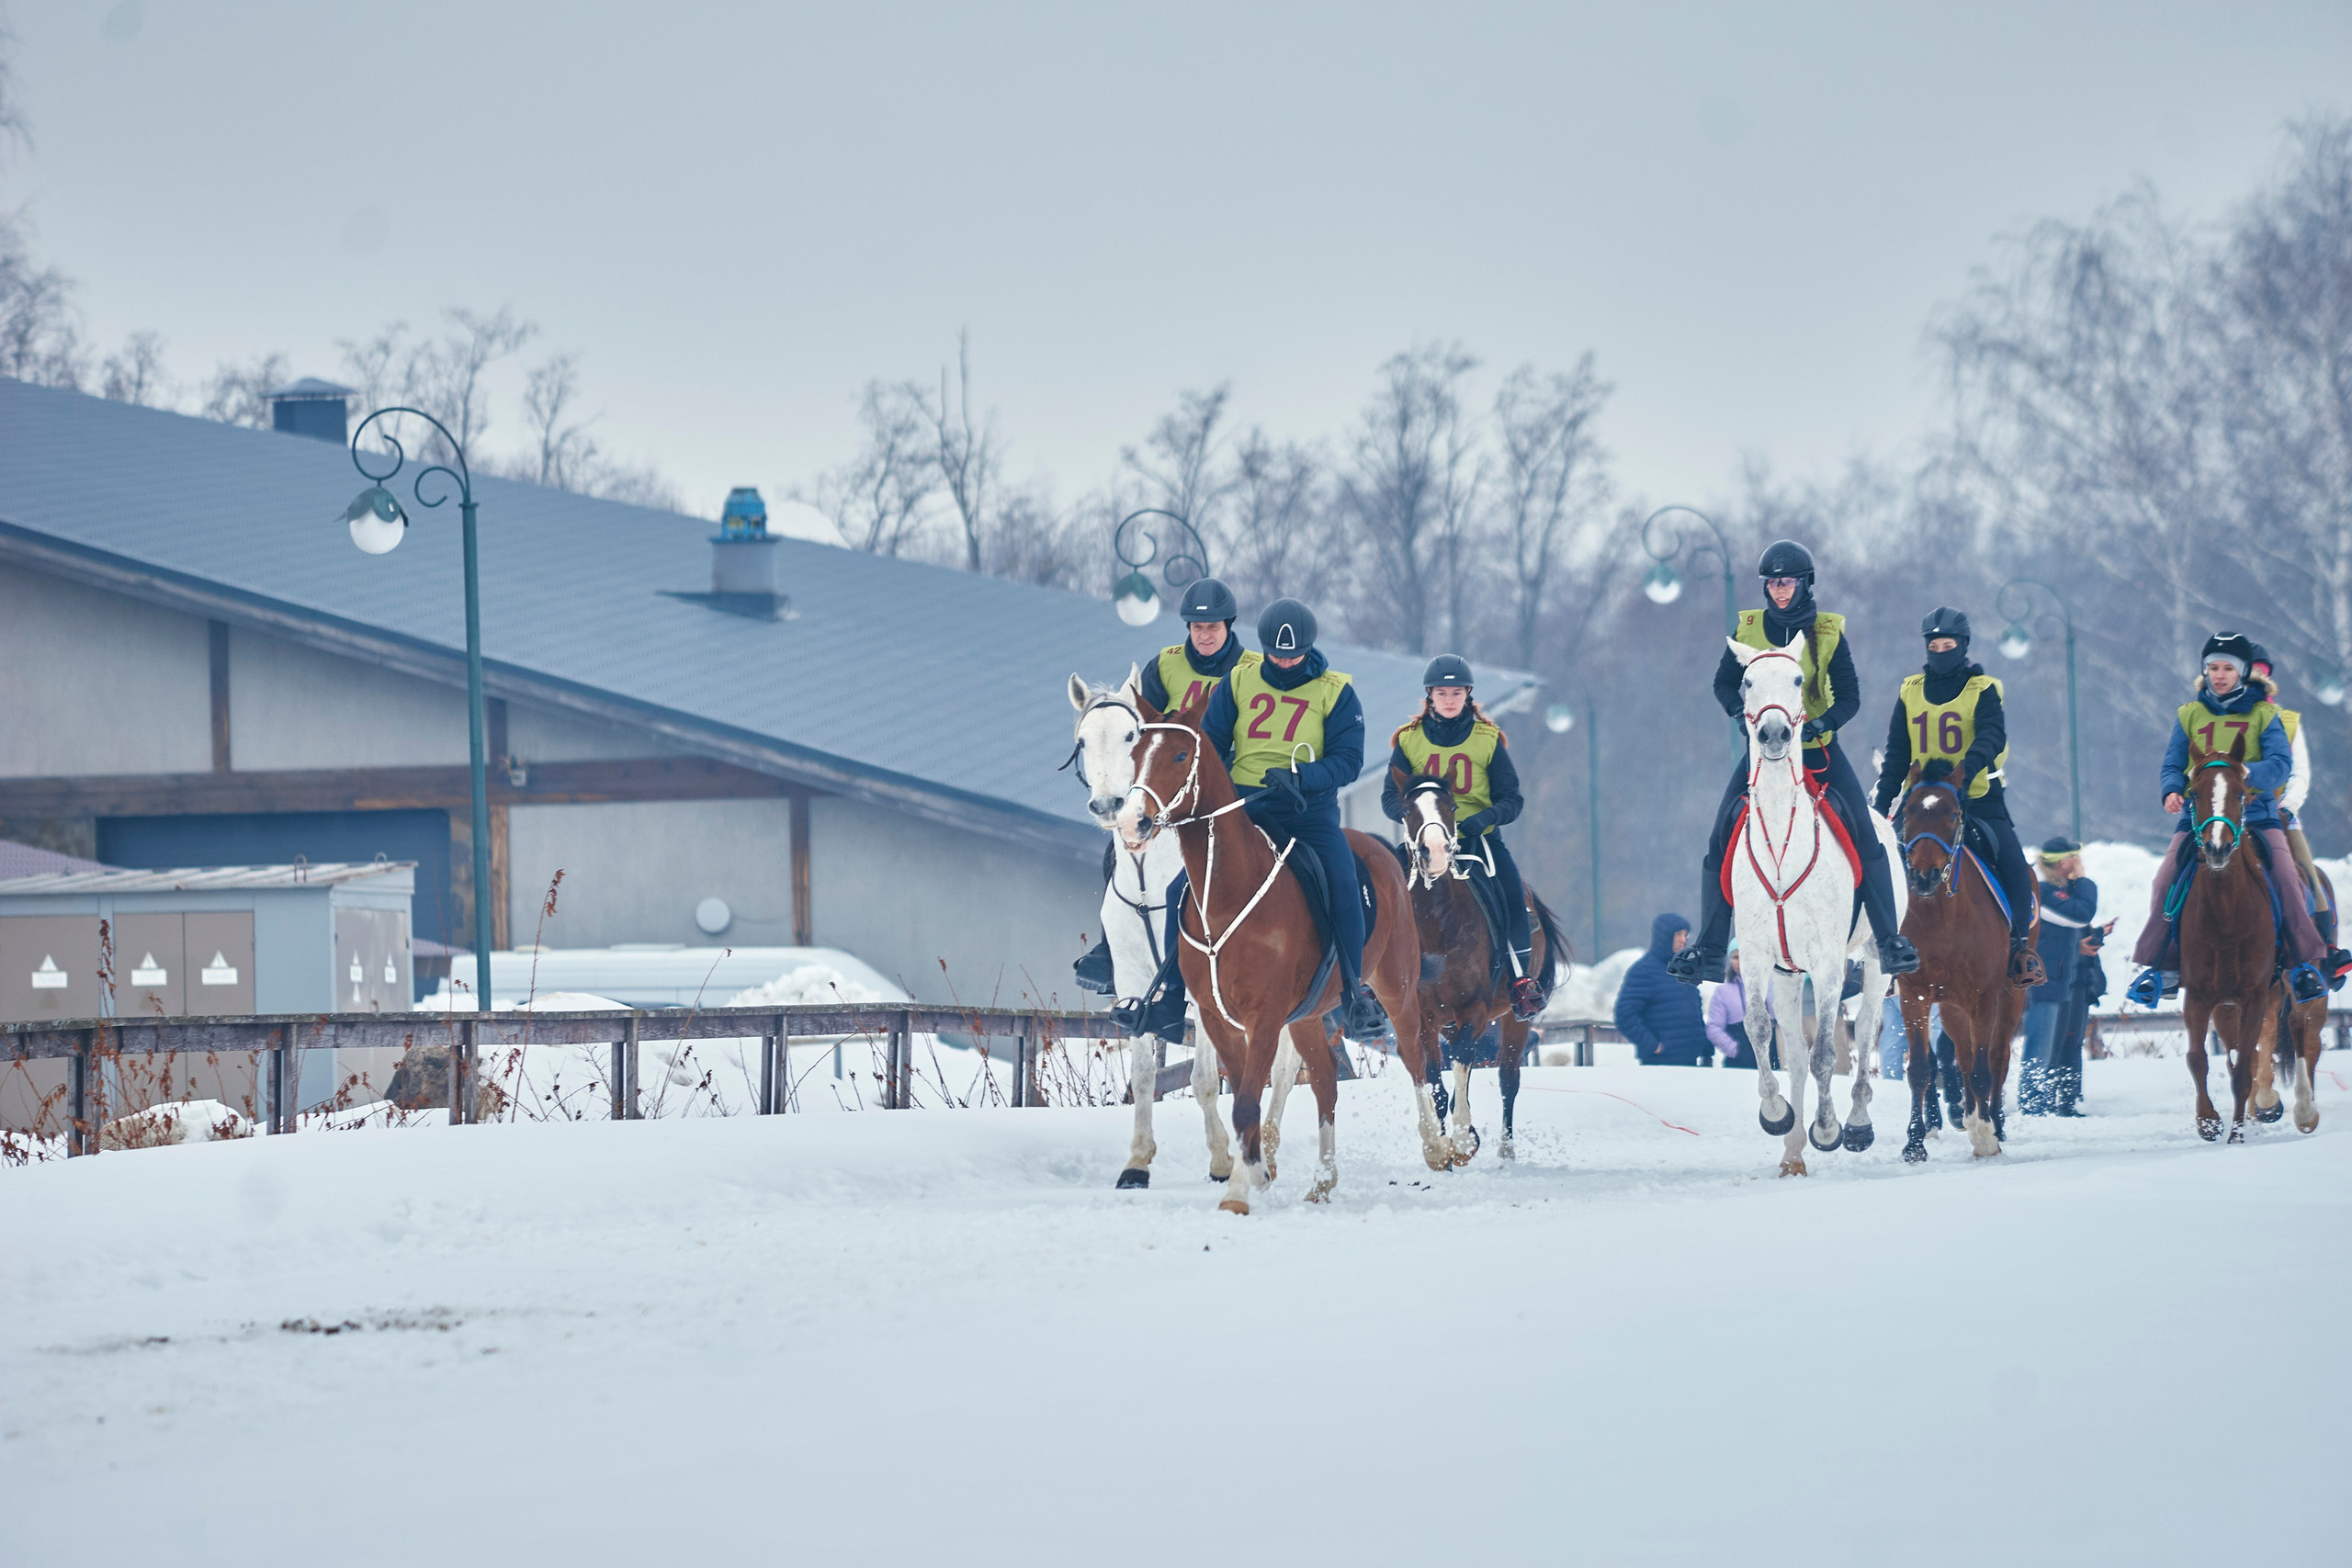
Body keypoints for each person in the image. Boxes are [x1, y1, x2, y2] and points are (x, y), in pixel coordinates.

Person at [1668, 540, 1918, 986]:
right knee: (1720, 834)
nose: (1780, 590)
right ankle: (1708, 949)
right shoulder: (1746, 630)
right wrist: (1743, 716)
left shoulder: (1827, 632)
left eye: (1787, 582)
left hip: (1818, 749)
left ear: (1805, 584)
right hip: (1762, 755)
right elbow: (1723, 684)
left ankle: (1887, 940)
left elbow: (1851, 696)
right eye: (1772, 583)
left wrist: (1823, 722)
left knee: (1864, 830)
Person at [1199, 597, 1386, 1037]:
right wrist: (1222, 789)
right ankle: (1168, 993)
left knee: (1343, 881)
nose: (1284, 662)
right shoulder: (1237, 681)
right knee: (1180, 884)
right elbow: (1210, 744)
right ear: (1263, 647)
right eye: (1276, 653)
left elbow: (1348, 760)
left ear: (1308, 648)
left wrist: (1303, 776)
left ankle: (1354, 996)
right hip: (1245, 812)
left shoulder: (1336, 691)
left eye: (1293, 654)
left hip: (1308, 813)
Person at [1073, 577, 1256, 1003]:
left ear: (1229, 626)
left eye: (1212, 627)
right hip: (1169, 790)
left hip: (1224, 791)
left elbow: (1251, 738)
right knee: (1117, 847)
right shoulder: (1165, 665)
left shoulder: (1251, 669)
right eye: (1196, 627)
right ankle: (1109, 949)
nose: (1204, 635)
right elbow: (1140, 728)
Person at [2125, 632, 2329, 1006]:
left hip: (2256, 817)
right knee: (2163, 880)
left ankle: (2302, 966)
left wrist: (2246, 773)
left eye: (2227, 668)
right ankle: (2161, 969)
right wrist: (2171, 790)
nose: (2219, 675)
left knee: (2286, 877)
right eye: (2213, 667)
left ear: (2243, 672)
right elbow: (2172, 763)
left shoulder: (2265, 715)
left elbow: (2281, 765)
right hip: (2199, 819)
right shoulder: (2189, 714)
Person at [1871, 607, 2041, 987]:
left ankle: (2019, 949)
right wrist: (1881, 808)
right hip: (1920, 806)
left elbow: (1991, 735)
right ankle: (1871, 951)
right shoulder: (1910, 691)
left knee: (2014, 863)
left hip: (1976, 798)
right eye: (1934, 645)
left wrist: (1966, 769)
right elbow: (1898, 751)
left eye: (1948, 645)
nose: (1941, 651)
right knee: (1874, 862)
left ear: (1962, 647)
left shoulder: (1983, 690)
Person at [1380, 653, 1542, 1020]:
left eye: (1456, 692)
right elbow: (1390, 795)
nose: (1449, 700)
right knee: (1380, 892)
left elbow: (1512, 799)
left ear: (1468, 695)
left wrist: (1483, 817)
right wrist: (1410, 816)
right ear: (1430, 696)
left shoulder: (1488, 740)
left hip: (1477, 839)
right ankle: (1370, 981)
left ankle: (1520, 982)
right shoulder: (1408, 741)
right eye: (1442, 693)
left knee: (1513, 896)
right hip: (1422, 841)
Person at [2247, 644, 2352, 983]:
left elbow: (2300, 772)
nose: (2256, 678)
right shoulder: (2221, 721)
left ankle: (2327, 954)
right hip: (2229, 817)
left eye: (2261, 672)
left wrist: (2286, 806)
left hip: (2278, 815)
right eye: (2251, 672)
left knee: (2309, 877)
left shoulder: (2287, 720)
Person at [2018, 839, 2098, 1113]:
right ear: (2064, 862)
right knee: (2039, 1044)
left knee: (2051, 1045)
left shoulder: (2057, 893)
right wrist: (2084, 881)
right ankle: (2032, 1103)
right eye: (2074, 858)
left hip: (2058, 976)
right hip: (2045, 979)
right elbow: (2081, 914)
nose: (2078, 863)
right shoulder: (2043, 893)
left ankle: (2042, 1101)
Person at [1618, 913, 1713, 1065]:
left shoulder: (1685, 968)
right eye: (1678, 934)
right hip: (1660, 1064)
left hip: (1691, 1061)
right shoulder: (1643, 971)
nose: (1683, 939)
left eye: (1685, 934)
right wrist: (1652, 1045)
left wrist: (1705, 1047)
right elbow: (1624, 1015)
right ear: (1664, 937)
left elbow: (1695, 1012)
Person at [2050, 919, 2113, 1116]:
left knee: (2072, 1042)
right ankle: (2059, 1100)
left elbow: (2076, 937)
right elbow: (2049, 941)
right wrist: (2079, 948)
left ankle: (2069, 1097)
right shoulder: (2055, 903)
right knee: (2063, 1043)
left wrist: (2099, 932)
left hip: (2079, 983)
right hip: (2066, 983)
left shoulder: (2074, 907)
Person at [1705, 941, 1767, 1069]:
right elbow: (1713, 1028)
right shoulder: (1723, 991)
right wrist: (1735, 1049)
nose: (1740, 962)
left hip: (1769, 1058)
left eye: (1744, 956)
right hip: (1739, 1063)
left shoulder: (1768, 985)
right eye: (1735, 957)